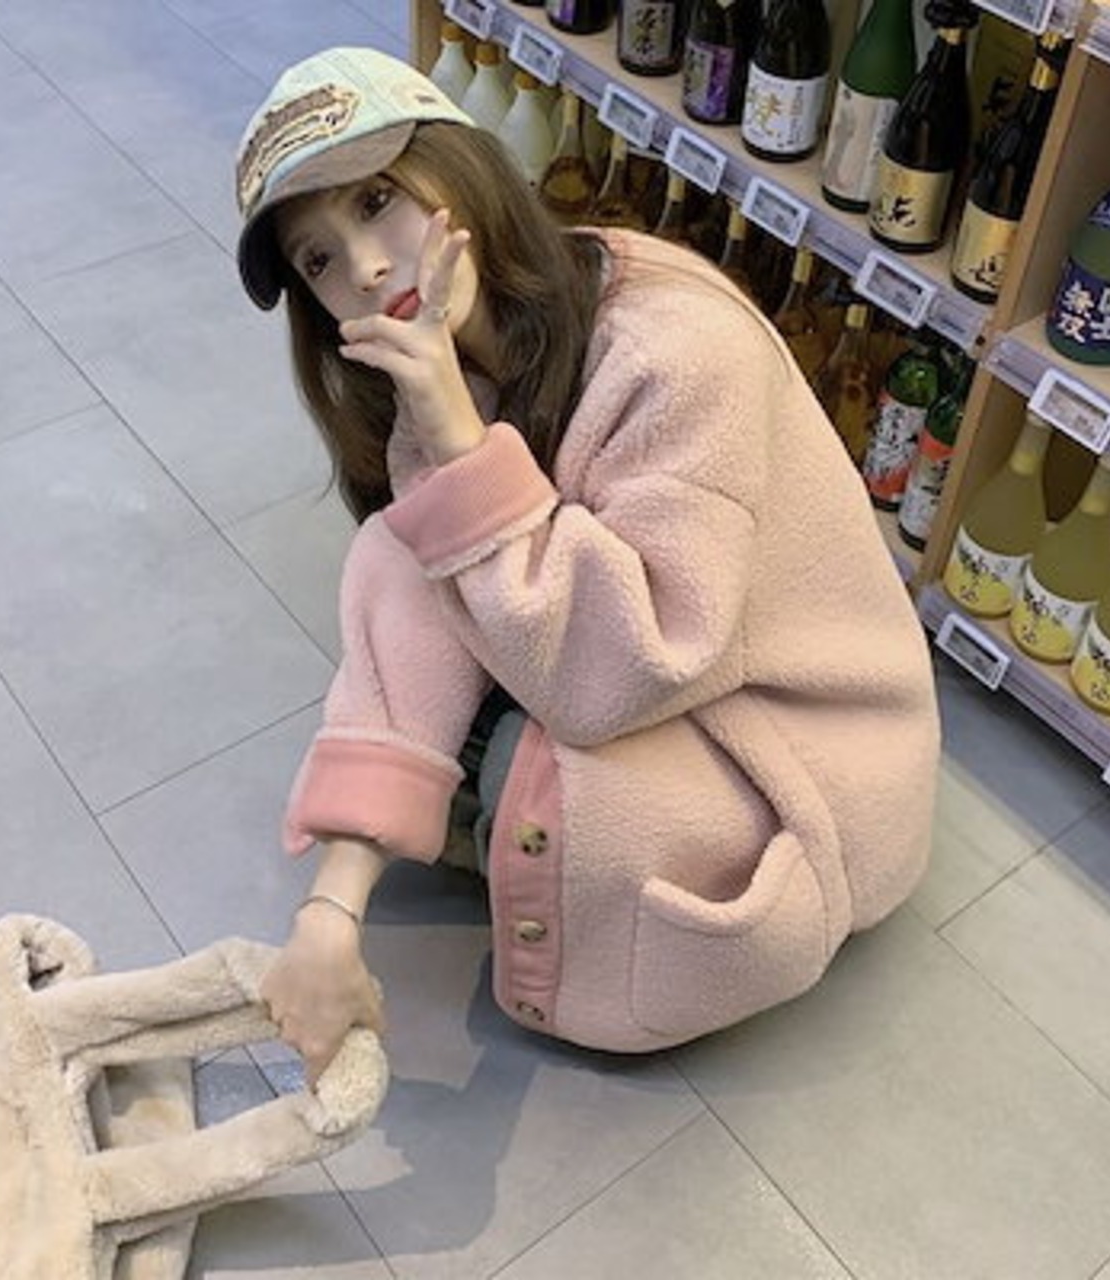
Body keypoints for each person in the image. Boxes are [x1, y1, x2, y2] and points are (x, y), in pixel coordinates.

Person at [234, 47, 941, 1081]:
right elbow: (421, 582)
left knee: (533, 766)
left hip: (794, 740)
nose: (367, 269)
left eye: (378, 201)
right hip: (646, 664)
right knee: (409, 551)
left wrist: (460, 446)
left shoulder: (674, 348)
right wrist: (330, 911)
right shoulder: (444, 369)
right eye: (317, 260)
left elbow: (632, 666)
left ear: (461, 166)